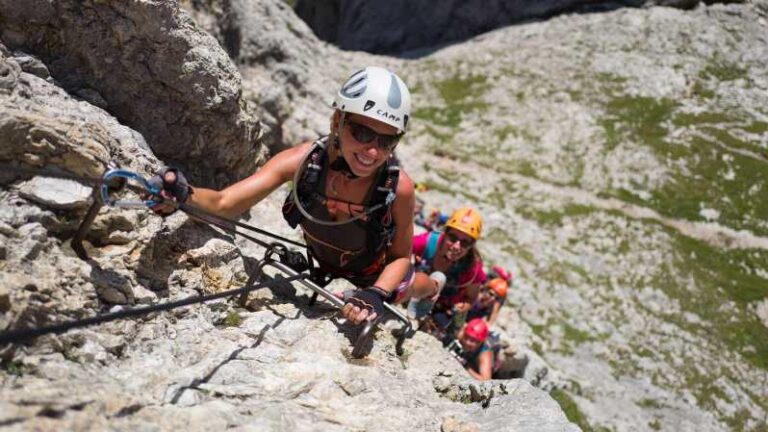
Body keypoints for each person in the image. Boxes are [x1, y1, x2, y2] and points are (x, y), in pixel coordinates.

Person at [149, 66, 437, 325]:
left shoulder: (397, 188)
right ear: (338, 120)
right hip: (320, 259)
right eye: (362, 133)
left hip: (372, 273)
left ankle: (434, 288)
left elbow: (401, 257)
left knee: (408, 286)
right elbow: (225, 203)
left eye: (386, 141)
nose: (372, 152)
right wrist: (184, 194)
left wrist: (376, 293)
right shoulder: (302, 162)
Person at [407, 207, 487, 335]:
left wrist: (463, 306)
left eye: (465, 243)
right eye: (453, 238)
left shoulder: (472, 268)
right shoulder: (428, 242)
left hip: (443, 308)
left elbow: (471, 298)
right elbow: (401, 249)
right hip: (415, 289)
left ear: (471, 246)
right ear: (445, 233)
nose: (456, 246)